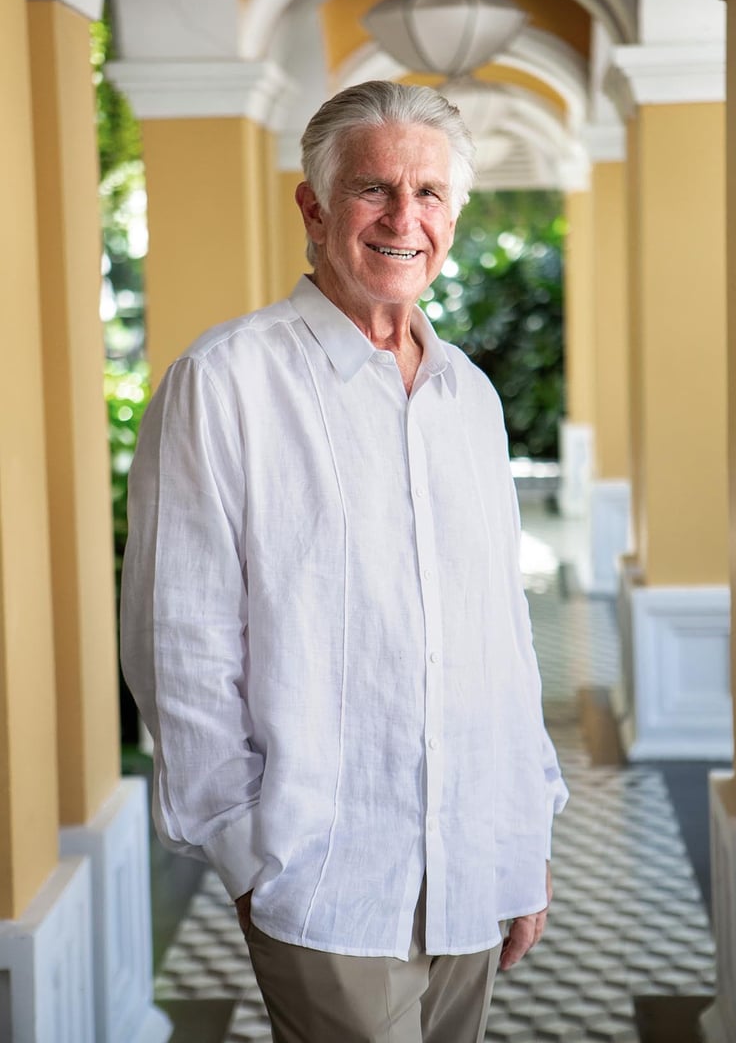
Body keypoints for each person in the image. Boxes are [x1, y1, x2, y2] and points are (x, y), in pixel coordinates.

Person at [121, 79, 568, 1043]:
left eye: (431, 194)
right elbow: (180, 643)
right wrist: (252, 858)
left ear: (453, 214)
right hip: (325, 882)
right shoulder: (224, 383)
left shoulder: (471, 400)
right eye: (374, 190)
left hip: (474, 872)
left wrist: (522, 839)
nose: (405, 218)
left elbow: (503, 638)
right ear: (315, 206)